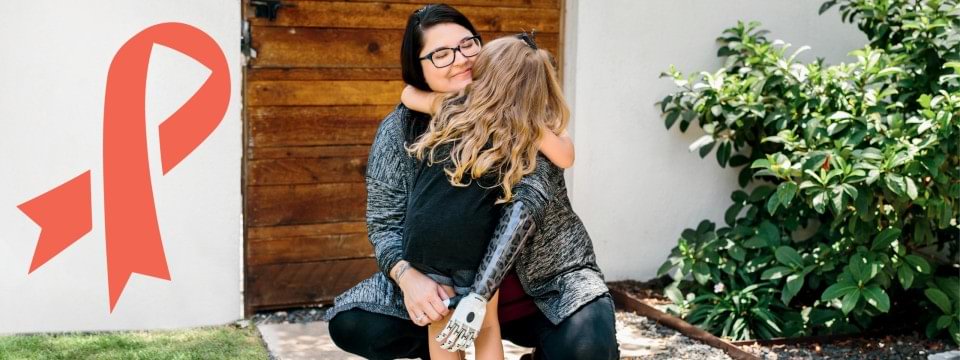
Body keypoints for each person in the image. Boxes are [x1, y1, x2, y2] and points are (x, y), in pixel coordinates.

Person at [323, 4, 619, 359]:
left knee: (587, 347)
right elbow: (384, 221)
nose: (461, 59)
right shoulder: (403, 126)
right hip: (441, 263)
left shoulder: (523, 112)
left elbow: (532, 198)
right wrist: (407, 277)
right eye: (441, 54)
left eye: (467, 45)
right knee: (358, 323)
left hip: (540, 280)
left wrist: (481, 288)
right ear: (417, 68)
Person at [401, 33, 574, 359]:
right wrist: (545, 116)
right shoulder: (526, 125)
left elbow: (408, 94)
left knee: (439, 321)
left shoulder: (454, 105)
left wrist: (459, 91)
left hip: (423, 235)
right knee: (486, 326)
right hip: (473, 243)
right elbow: (566, 156)